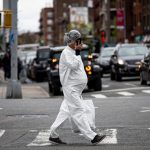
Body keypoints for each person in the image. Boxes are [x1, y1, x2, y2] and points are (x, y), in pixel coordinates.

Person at [49, 30, 106, 145]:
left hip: (75, 89)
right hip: (71, 88)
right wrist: (78, 52)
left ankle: (53, 134)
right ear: (71, 41)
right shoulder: (66, 53)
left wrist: (77, 52)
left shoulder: (73, 51)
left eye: (79, 40)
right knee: (79, 111)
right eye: (77, 40)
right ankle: (92, 136)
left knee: (65, 111)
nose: (79, 42)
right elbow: (74, 66)